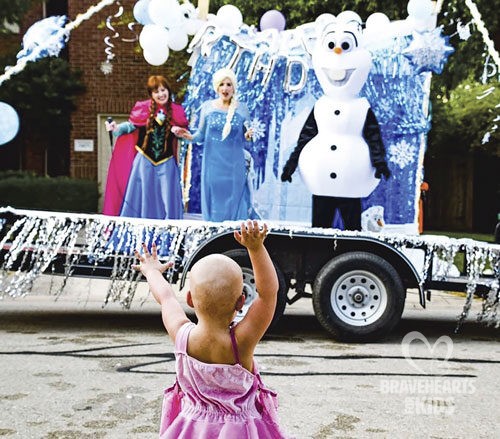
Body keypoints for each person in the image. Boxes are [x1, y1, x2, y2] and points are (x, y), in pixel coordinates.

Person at [132, 220, 288, 438]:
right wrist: (256, 249)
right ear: (241, 301)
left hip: (191, 428)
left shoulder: (182, 335)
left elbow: (166, 297)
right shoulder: (241, 342)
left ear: (189, 299)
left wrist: (151, 271)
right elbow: (268, 294)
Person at [174, 68, 256, 222]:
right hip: (213, 165)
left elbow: (247, 136)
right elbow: (200, 136)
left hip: (234, 165)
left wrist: (248, 136)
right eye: (222, 84)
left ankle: (235, 234)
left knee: (236, 202)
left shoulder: (242, 108)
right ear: (217, 87)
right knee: (214, 202)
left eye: (229, 84)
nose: (225, 88)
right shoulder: (207, 107)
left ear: (234, 87)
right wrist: (187, 136)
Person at [103, 75, 188, 219]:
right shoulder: (143, 109)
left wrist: (179, 132)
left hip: (167, 163)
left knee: (168, 199)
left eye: (163, 90)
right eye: (156, 91)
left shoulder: (177, 111)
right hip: (144, 162)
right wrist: (116, 128)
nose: (161, 94)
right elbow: (130, 126)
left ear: (168, 90)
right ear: (151, 94)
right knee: (142, 197)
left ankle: (168, 231)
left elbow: (184, 135)